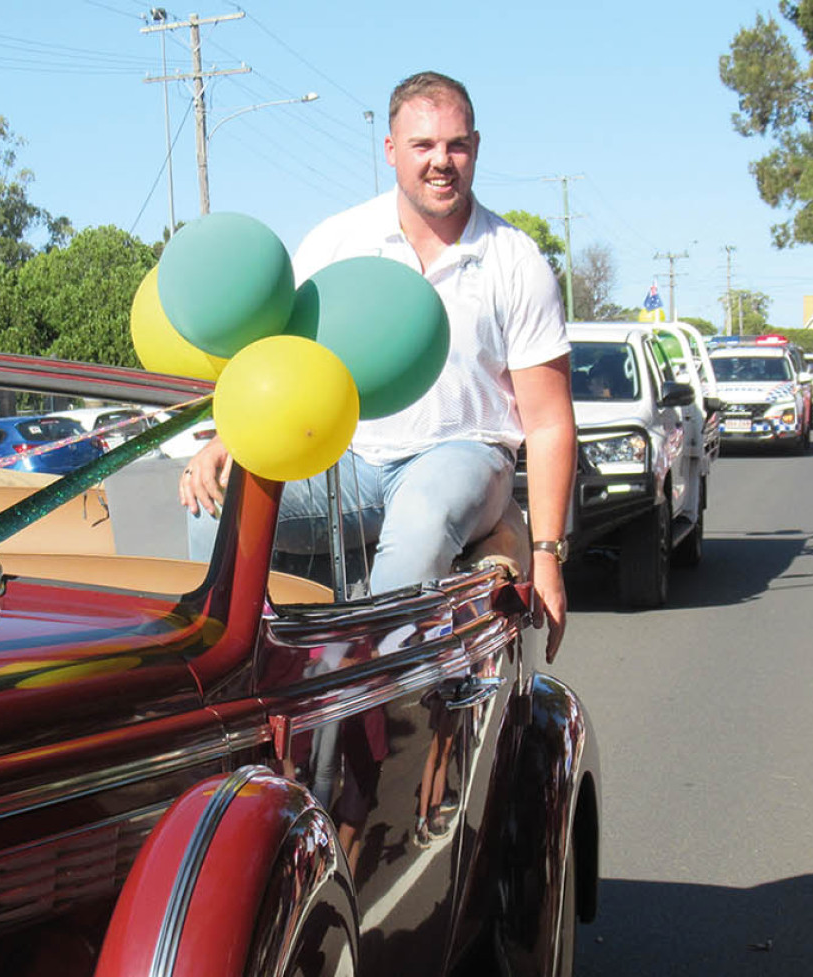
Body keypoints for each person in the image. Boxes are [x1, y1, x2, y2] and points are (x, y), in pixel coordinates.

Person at [181, 71, 575, 657]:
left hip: (465, 453)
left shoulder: (514, 260)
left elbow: (547, 423)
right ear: (391, 151)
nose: (442, 161)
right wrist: (229, 439)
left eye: (457, 145)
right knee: (218, 506)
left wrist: (546, 555)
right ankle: (235, 678)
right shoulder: (338, 241)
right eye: (423, 146)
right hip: (352, 461)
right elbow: (284, 363)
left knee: (417, 529)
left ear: (475, 148)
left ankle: (381, 705)